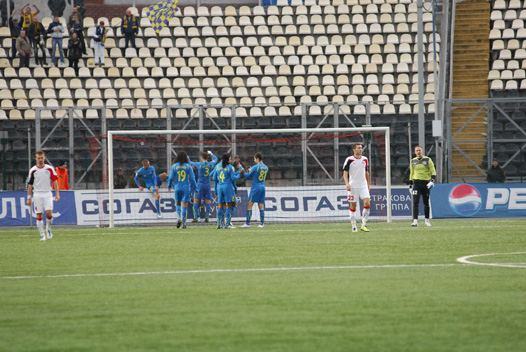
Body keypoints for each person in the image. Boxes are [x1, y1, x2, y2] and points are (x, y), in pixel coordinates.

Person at [26, 150, 60, 241]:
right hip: (37, 194)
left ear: (44, 158)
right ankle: (42, 235)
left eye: (42, 158)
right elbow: (30, 185)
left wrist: (57, 194)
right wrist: (29, 198)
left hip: (47, 194)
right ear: (36, 158)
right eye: (39, 158)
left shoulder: (49, 169)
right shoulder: (33, 170)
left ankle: (48, 229)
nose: (40, 159)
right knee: (39, 215)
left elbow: (55, 181)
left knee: (49, 213)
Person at [343, 143, 371, 232]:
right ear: (354, 149)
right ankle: (354, 226)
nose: (361, 149)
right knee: (353, 206)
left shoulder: (365, 159)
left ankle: (363, 225)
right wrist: (347, 184)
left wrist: (368, 185)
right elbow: (345, 172)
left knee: (367, 203)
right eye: (359, 148)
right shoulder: (349, 160)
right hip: (353, 186)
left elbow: (366, 172)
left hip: (363, 186)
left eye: (361, 148)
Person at [211, 153, 242, 229]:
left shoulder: (217, 166)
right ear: (227, 159)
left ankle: (219, 223)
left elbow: (214, 178)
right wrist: (240, 174)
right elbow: (233, 178)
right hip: (227, 187)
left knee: (220, 205)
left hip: (219, 187)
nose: (231, 160)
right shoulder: (230, 167)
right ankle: (227, 224)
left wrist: (216, 190)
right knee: (230, 205)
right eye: (230, 159)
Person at [168, 151, 197, 229]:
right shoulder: (188, 166)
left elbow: (170, 178)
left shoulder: (174, 166)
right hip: (185, 188)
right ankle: (184, 224)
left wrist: (169, 186)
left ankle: (178, 218)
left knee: (177, 203)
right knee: (184, 205)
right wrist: (195, 188)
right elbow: (192, 178)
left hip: (177, 188)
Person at [409, 145, 436, 227]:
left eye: (419, 150)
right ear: (415, 152)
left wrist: (432, 180)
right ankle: (415, 221)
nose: (418, 152)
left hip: (425, 183)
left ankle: (427, 220)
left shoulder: (427, 160)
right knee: (415, 202)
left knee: (426, 202)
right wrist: (410, 185)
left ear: (422, 151)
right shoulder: (413, 161)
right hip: (416, 183)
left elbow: (433, 170)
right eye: (417, 150)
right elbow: (412, 173)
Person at [188, 150, 218, 223]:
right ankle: (207, 218)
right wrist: (211, 153)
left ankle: (196, 217)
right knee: (207, 201)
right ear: (207, 157)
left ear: (201, 157)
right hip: (208, 185)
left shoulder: (199, 164)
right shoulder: (211, 164)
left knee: (196, 201)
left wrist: (188, 158)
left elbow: (190, 163)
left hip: (200, 185)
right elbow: (216, 159)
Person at [240, 153, 268, 229]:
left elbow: (247, 176)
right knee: (261, 205)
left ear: (258, 159)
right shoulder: (266, 167)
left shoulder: (255, 167)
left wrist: (244, 171)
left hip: (256, 187)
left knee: (249, 205)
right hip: (263, 187)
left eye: (255, 159)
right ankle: (262, 224)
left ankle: (247, 223)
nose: (254, 160)